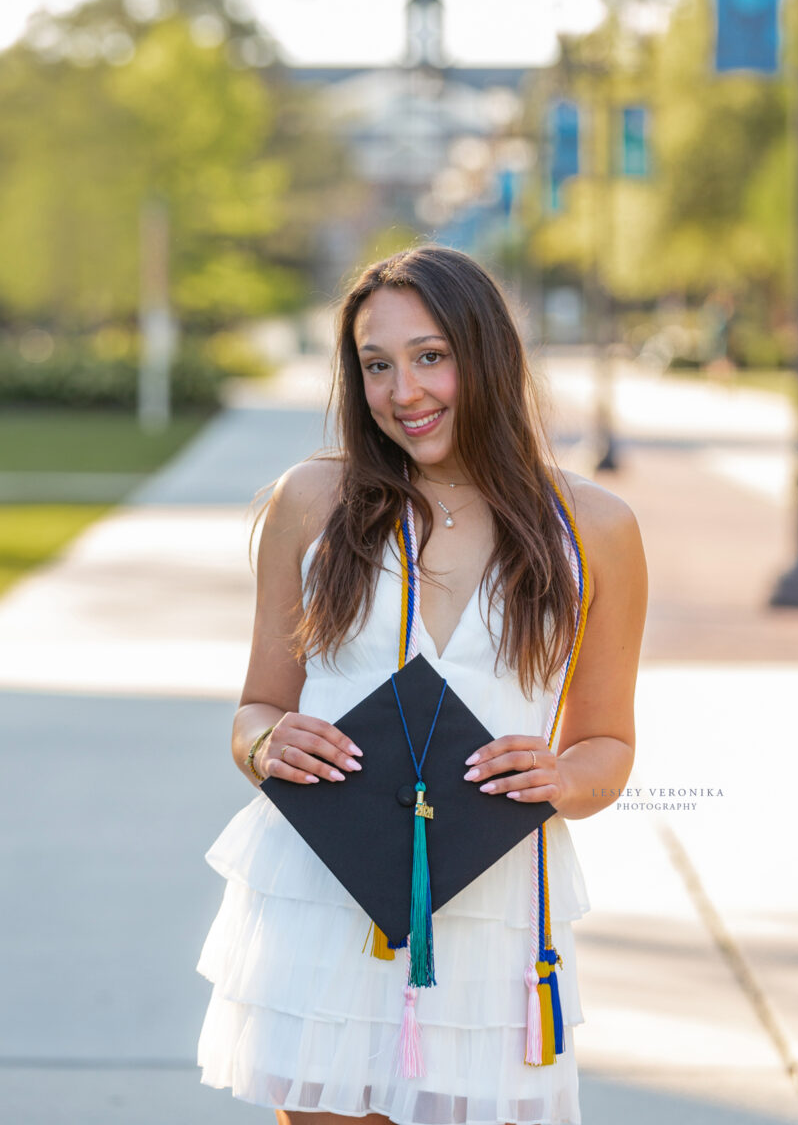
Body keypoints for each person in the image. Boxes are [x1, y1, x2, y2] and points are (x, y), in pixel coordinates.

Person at [196, 246, 647, 1125]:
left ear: (488, 355)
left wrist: (562, 776)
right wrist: (264, 742)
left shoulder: (592, 526)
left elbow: (609, 747)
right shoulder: (313, 501)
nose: (404, 391)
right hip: (329, 897)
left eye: (430, 355)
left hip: (492, 915)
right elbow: (256, 708)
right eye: (377, 365)